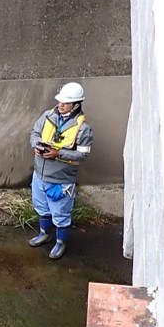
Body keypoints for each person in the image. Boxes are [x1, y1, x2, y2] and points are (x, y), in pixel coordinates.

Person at [27, 82, 93, 260]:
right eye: (60, 101)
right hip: (40, 175)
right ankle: (44, 233)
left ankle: (60, 243)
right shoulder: (48, 116)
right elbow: (34, 133)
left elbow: (83, 155)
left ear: (76, 105)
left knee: (61, 213)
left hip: (60, 180)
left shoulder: (83, 130)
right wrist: (36, 145)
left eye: (65, 102)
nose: (60, 105)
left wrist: (58, 153)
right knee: (41, 207)